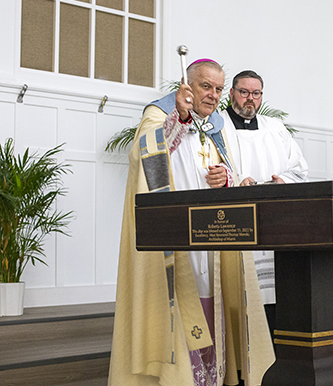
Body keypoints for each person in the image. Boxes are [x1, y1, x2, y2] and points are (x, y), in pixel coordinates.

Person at [108, 60, 274, 386]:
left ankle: (210, 377)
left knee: (211, 300)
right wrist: (180, 118)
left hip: (210, 240)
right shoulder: (159, 115)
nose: (213, 95)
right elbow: (144, 156)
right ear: (187, 85)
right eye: (205, 86)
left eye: (218, 89)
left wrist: (224, 177)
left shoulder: (214, 128)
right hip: (173, 241)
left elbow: (229, 172)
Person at [220, 70, 309, 335]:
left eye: (256, 93)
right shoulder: (216, 126)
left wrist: (281, 180)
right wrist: (236, 182)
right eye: (244, 92)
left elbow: (300, 170)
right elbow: (204, 170)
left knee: (274, 301)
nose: (250, 99)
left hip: (275, 221)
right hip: (236, 221)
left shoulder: (275, 128)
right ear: (232, 93)